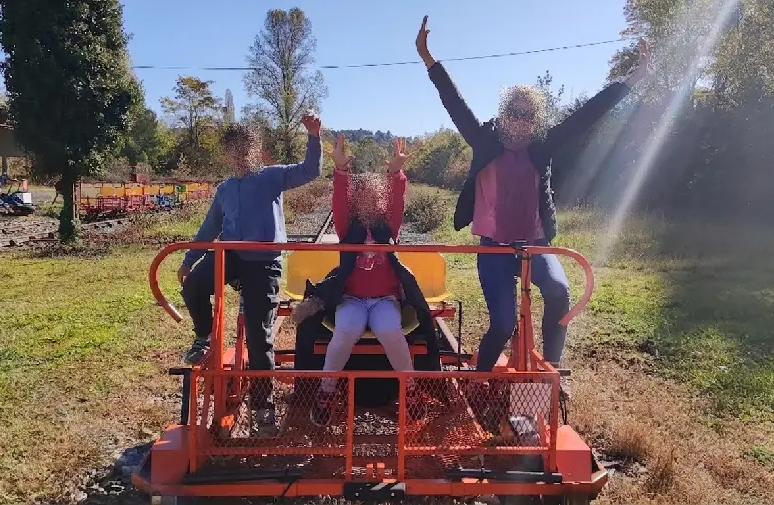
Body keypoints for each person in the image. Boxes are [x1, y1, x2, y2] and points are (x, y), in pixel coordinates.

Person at [416, 16, 650, 390]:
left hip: (534, 244)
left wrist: (632, 78)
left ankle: (552, 371)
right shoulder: (484, 139)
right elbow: (454, 103)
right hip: (493, 250)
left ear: (536, 119)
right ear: (504, 112)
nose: (521, 121)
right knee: (503, 323)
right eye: (514, 112)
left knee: (559, 292)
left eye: (528, 115)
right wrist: (428, 58)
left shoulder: (543, 146)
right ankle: (478, 381)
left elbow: (587, 115)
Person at [177, 114, 322, 434]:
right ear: (227, 154)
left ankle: (262, 406)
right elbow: (209, 227)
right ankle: (204, 337)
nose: (238, 156)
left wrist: (313, 137)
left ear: (254, 150)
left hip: (264, 262)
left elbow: (310, 170)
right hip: (230, 256)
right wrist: (190, 259)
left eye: (244, 149)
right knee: (193, 288)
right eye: (233, 150)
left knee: (258, 336)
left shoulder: (272, 177)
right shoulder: (226, 189)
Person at [291, 135, 431, 426]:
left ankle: (411, 389)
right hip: (351, 298)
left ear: (381, 199)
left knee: (390, 330)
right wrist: (341, 171)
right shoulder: (347, 228)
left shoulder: (387, 227)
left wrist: (395, 174)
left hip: (384, 300)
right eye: (362, 194)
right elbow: (339, 202)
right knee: (346, 329)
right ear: (357, 200)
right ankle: (326, 391)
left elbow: (398, 201)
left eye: (374, 195)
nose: (369, 198)